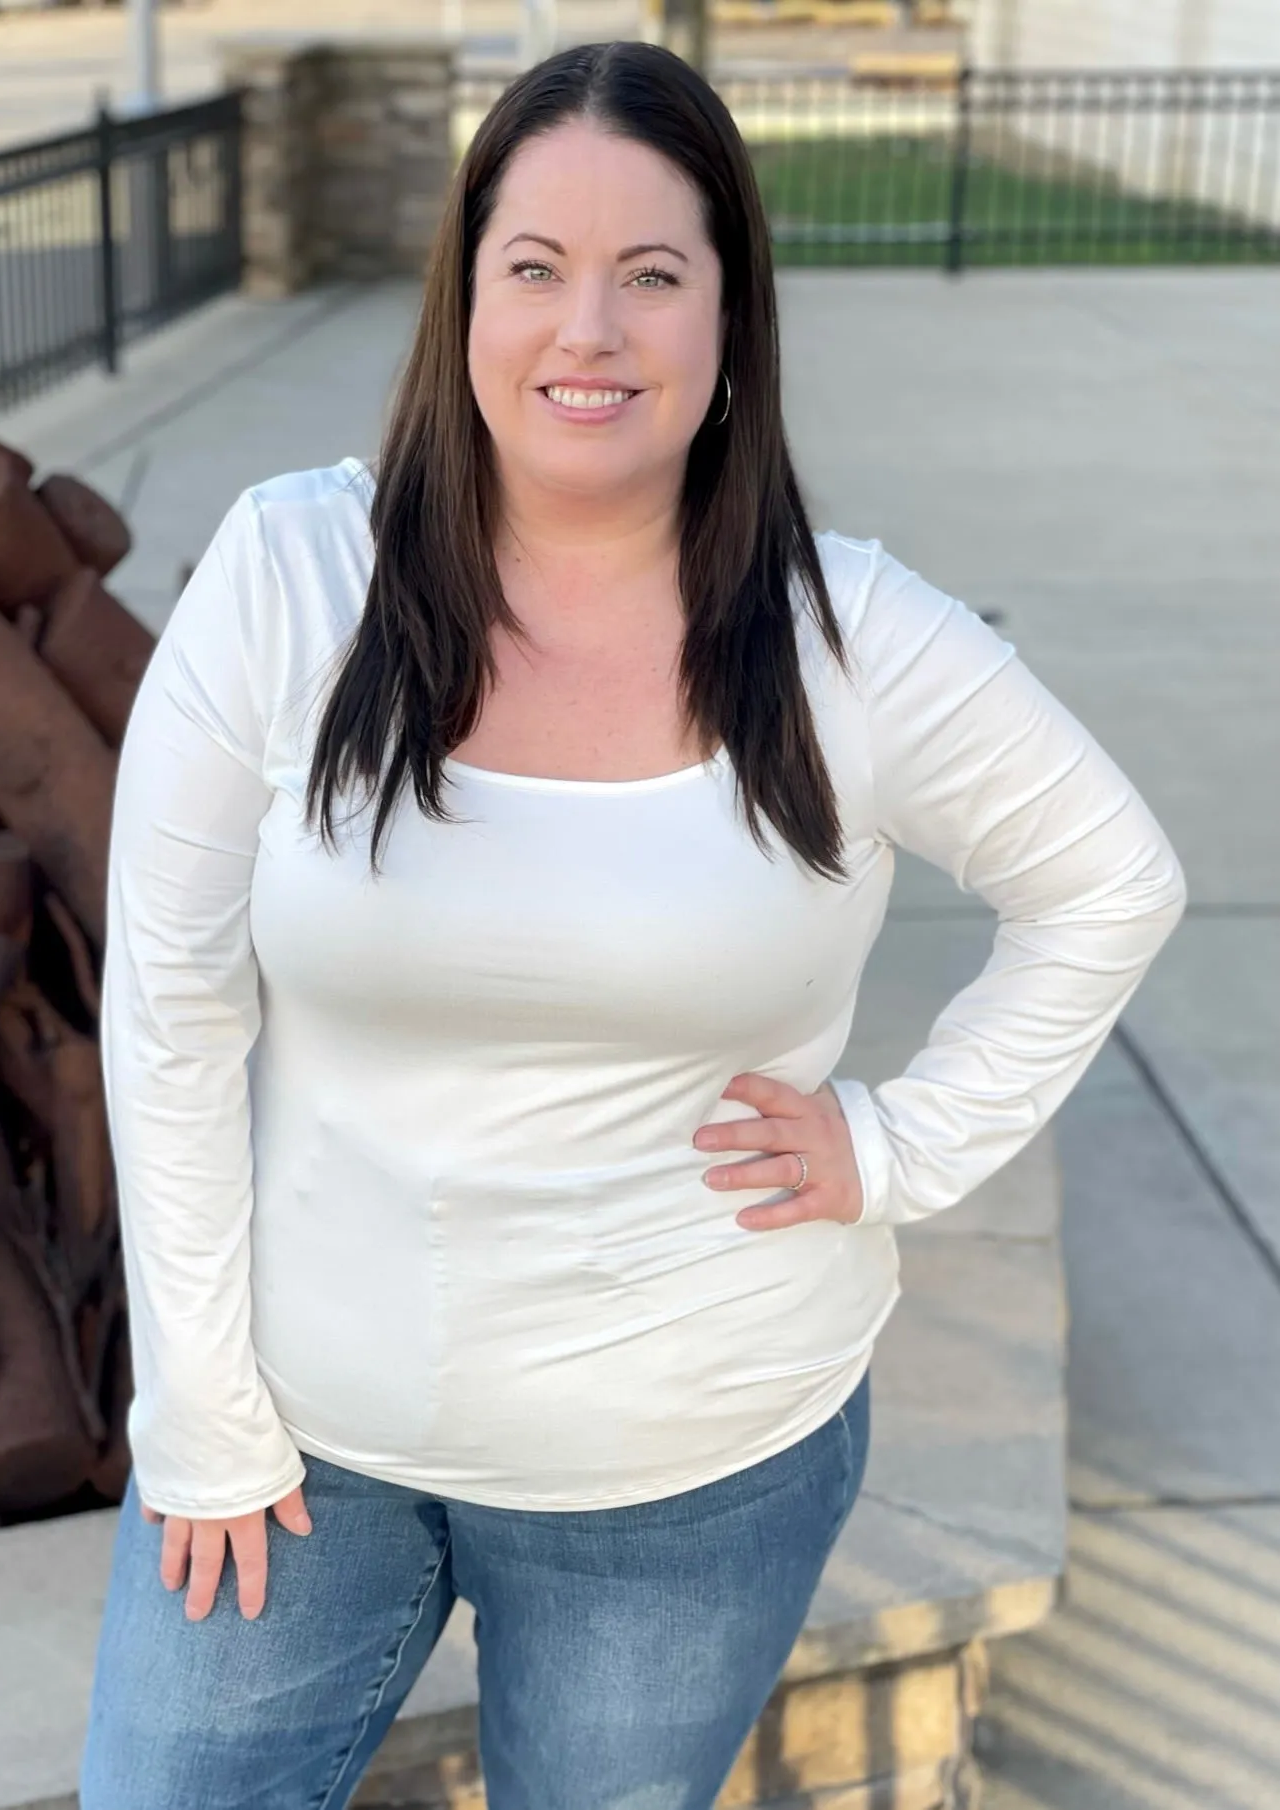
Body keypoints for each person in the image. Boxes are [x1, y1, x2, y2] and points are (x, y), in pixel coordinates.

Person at [79, 38, 1186, 1810]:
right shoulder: (294, 579)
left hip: (691, 1466)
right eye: (535, 269)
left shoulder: (855, 641)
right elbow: (173, 1009)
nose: (587, 328)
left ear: (730, 320)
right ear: (467, 304)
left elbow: (1112, 879)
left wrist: (899, 1145)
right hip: (294, 1443)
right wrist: (201, 1419)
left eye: (651, 275)